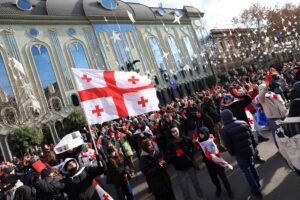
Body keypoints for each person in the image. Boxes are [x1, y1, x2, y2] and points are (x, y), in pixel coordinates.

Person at [221, 109, 262, 198]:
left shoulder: (224, 130)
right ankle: (257, 182)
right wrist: (254, 146)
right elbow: (251, 136)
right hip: (249, 149)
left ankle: (255, 189)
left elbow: (228, 145)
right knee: (252, 166)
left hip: (239, 153)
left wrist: (232, 153)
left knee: (247, 171)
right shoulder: (243, 122)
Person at [167, 125, 204, 200]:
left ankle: (201, 197)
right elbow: (168, 158)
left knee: (195, 183)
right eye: (172, 132)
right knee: (184, 187)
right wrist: (176, 155)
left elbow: (194, 149)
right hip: (180, 169)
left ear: (178, 130)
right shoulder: (170, 144)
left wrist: (195, 144)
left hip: (189, 165)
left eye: (175, 130)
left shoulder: (186, 139)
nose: (174, 133)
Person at [197, 127, 234, 199]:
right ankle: (218, 188)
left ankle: (229, 190)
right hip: (208, 163)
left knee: (223, 177)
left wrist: (212, 155)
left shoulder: (211, 141)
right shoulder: (200, 142)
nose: (200, 135)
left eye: (202, 134)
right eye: (199, 134)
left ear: (206, 133)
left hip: (216, 161)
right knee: (213, 178)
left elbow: (216, 152)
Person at [257, 82, 287, 147]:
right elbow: (261, 95)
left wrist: (284, 109)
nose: (265, 88)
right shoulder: (260, 97)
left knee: (285, 131)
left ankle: (286, 145)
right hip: (273, 117)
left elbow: (280, 102)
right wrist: (265, 88)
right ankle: (279, 147)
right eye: (262, 88)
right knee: (277, 133)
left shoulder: (272, 93)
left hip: (282, 115)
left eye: (266, 87)